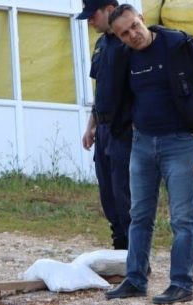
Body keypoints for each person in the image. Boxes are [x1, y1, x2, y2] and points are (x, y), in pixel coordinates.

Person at [104, 4, 193, 305]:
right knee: (138, 215)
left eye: (134, 27)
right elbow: (113, 94)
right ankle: (135, 279)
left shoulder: (178, 43)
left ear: (142, 20)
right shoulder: (123, 57)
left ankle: (181, 283)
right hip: (141, 142)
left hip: (179, 142)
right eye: (124, 34)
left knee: (182, 217)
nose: (132, 35)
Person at [79, 0, 132, 252]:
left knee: (125, 194)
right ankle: (119, 250)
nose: (90, 21)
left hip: (126, 129)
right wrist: (91, 124)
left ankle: (135, 255)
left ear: (110, 10)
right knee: (108, 193)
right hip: (103, 129)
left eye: (93, 15)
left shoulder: (129, 42)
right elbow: (101, 89)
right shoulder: (101, 45)